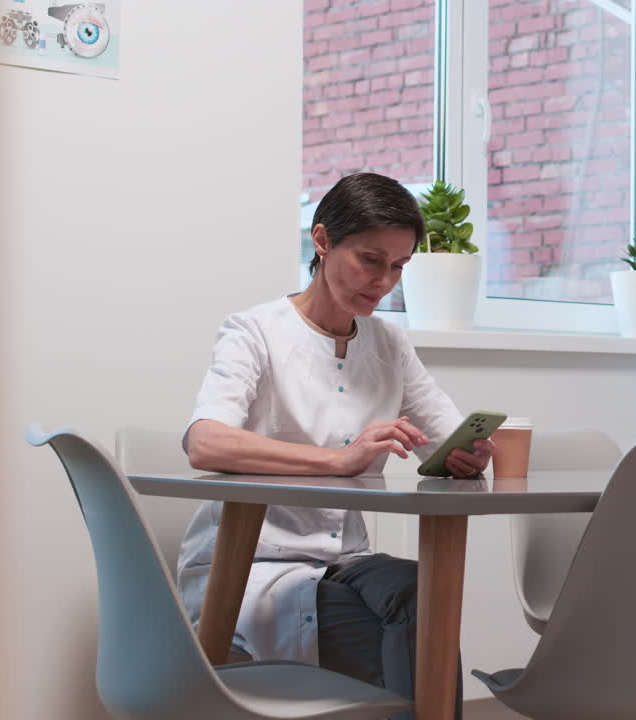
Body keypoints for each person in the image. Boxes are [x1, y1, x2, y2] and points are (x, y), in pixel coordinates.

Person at [178, 172, 490, 720]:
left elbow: (444, 433)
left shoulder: (388, 342)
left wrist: (465, 456)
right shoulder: (254, 332)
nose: (384, 281)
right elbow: (204, 442)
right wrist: (338, 459)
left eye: (398, 267)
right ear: (322, 241)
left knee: (426, 597)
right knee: (408, 641)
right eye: (371, 260)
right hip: (252, 566)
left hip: (344, 560)